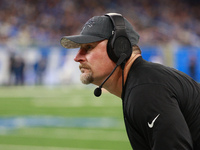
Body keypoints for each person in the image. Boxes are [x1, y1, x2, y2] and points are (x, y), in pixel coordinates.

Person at [60, 13, 200, 150]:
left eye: (88, 47)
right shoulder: (140, 84)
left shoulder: (145, 91)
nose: (77, 57)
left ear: (118, 48)